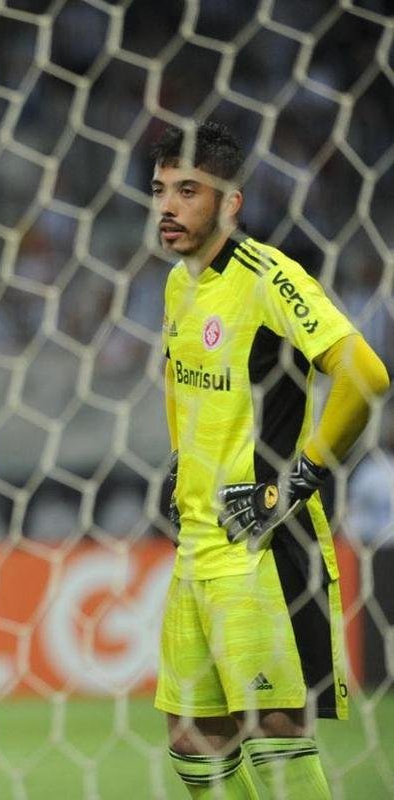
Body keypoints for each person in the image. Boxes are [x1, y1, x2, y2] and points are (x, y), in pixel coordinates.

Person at [150, 122, 390, 799]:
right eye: (160, 190)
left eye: (187, 191)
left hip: (256, 539)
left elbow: (364, 373)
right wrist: (179, 454)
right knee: (191, 737)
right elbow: (174, 371)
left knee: (274, 724)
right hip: (196, 541)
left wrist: (299, 477)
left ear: (230, 203)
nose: (167, 206)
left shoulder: (268, 278)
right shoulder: (177, 285)